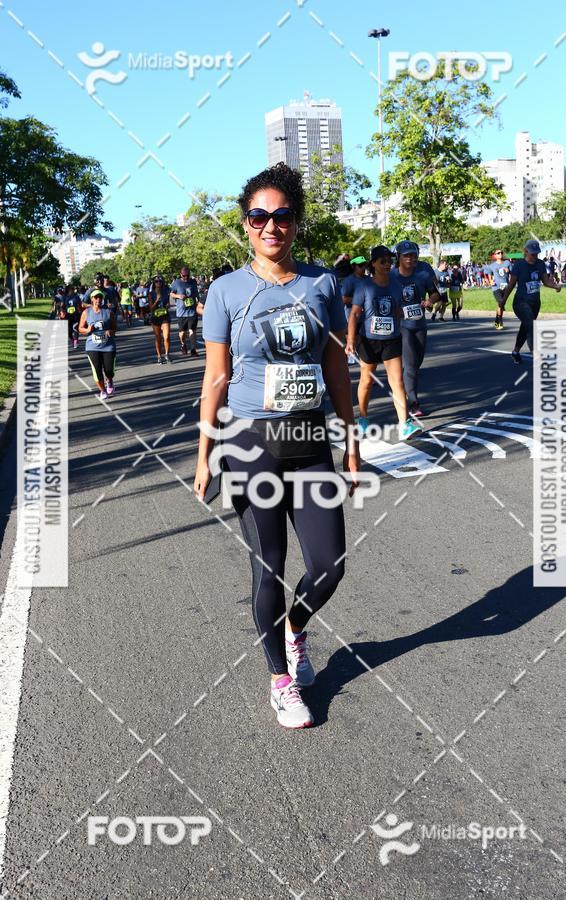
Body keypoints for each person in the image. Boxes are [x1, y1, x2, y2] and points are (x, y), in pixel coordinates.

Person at [195, 162, 359, 729]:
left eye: (281, 216)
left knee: (330, 564)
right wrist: (204, 452)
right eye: (259, 216)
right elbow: (215, 377)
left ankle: (296, 629)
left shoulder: (323, 284)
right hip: (248, 440)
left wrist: (351, 442)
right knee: (269, 567)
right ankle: (280, 680)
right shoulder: (225, 290)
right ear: (246, 225)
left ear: (296, 222)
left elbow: (336, 365)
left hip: (309, 437)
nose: (271, 226)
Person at [346, 244, 422, 439]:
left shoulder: (396, 285)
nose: (387, 265)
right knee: (367, 381)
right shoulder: (364, 286)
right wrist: (351, 339)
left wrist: (396, 324)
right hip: (369, 341)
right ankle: (362, 418)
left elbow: (397, 310)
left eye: (389, 261)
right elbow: (354, 314)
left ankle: (404, 424)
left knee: (397, 381)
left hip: (391, 340)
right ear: (373, 264)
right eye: (383, 261)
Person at [393, 240, 439, 417]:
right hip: (401, 326)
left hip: (419, 324)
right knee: (411, 364)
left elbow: (435, 293)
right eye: (406, 256)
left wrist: (429, 301)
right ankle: (413, 403)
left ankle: (405, 388)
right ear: (398, 257)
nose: (411, 258)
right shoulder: (391, 276)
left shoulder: (423, 274)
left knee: (416, 363)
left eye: (413, 255)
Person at [502, 239, 561, 364]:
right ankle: (536, 354)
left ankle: (515, 352)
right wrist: (502, 302)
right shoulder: (519, 265)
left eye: (536, 253)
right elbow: (511, 284)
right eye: (532, 254)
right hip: (520, 302)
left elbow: (545, 281)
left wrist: (555, 286)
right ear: (525, 251)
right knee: (530, 324)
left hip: (535, 303)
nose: (535, 256)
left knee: (526, 327)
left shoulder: (540, 264)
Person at [78, 288, 117, 398]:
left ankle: (109, 380)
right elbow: (80, 328)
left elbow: (114, 327)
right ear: (92, 299)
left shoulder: (108, 312)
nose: (98, 299)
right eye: (96, 297)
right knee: (97, 370)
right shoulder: (86, 312)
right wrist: (87, 330)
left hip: (108, 346)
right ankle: (102, 391)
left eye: (100, 297)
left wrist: (111, 331)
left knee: (109, 370)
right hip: (92, 346)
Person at [170, 266, 200, 356]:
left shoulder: (193, 282)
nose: (186, 277)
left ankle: (193, 349)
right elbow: (171, 293)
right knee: (182, 333)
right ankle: (183, 345)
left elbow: (197, 295)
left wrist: (199, 305)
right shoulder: (176, 283)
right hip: (181, 312)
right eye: (184, 276)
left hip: (192, 311)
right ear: (181, 275)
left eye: (187, 276)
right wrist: (178, 296)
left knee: (192, 331)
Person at [485, 250, 512, 330]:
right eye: (498, 253)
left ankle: (497, 319)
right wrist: (490, 281)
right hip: (496, 287)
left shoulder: (507, 263)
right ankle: (500, 322)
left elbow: (513, 273)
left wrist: (509, 271)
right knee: (500, 302)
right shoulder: (492, 266)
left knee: (501, 304)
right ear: (495, 256)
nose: (500, 254)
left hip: (505, 287)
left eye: (501, 253)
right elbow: (488, 274)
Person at [148, 275, 172, 364]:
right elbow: (151, 308)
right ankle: (159, 356)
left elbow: (168, 303)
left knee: (167, 336)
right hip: (155, 317)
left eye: (160, 282)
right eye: (156, 282)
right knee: (158, 338)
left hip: (165, 316)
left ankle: (167, 354)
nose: (158, 283)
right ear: (154, 283)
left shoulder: (165, 291)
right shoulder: (151, 293)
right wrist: (157, 300)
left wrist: (168, 305)